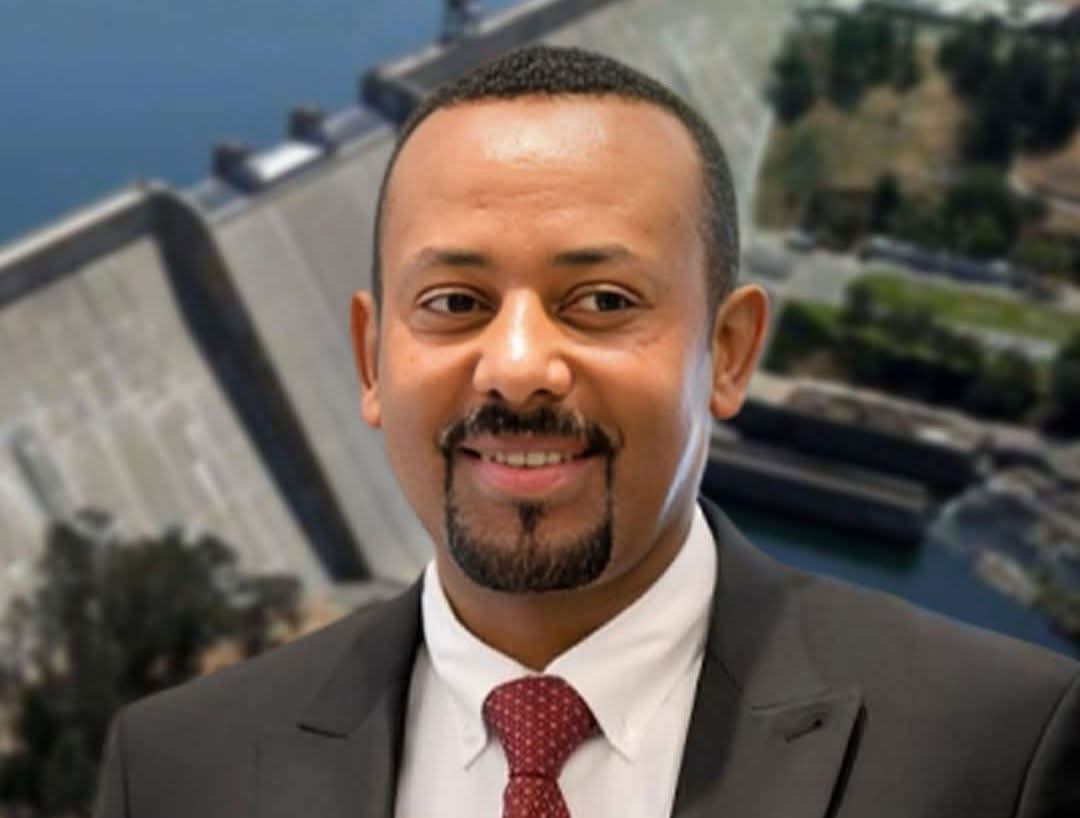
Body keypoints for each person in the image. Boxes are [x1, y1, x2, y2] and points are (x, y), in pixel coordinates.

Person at [94, 45, 1079, 818]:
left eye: (602, 300)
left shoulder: (997, 746)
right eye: (454, 301)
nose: (519, 365)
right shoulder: (177, 770)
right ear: (370, 359)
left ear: (729, 352)